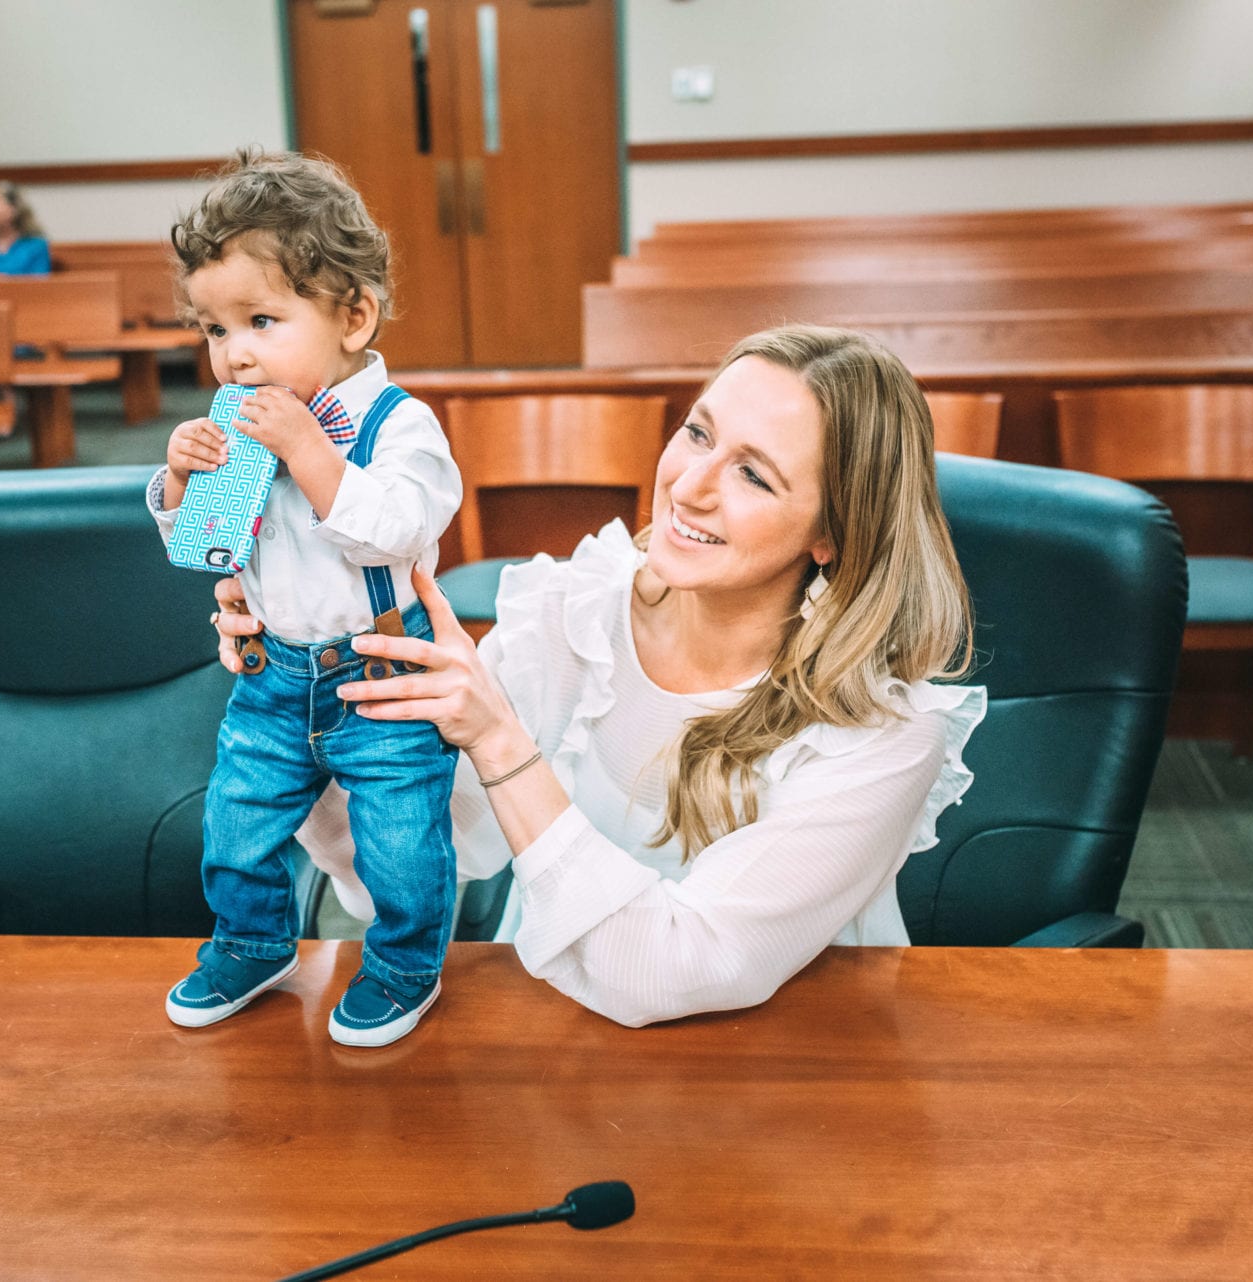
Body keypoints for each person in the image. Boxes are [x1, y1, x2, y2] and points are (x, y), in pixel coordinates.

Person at [218, 325, 987, 1028]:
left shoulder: (886, 733)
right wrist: (308, 689)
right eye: (698, 433)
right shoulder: (570, 612)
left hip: (794, 1083)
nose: (689, 486)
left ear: (833, 530)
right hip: (556, 1041)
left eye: (754, 475)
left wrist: (498, 740)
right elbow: (436, 846)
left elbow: (669, 970)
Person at [148, 151, 463, 1047]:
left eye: (260, 320)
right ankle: (254, 942)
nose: (235, 352)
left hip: (382, 676)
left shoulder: (395, 423)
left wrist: (308, 451)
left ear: (353, 316)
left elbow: (396, 528)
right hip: (274, 677)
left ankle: (404, 964)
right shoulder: (241, 427)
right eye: (215, 330)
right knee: (237, 820)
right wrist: (179, 482)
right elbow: (195, 547)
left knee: (400, 836)